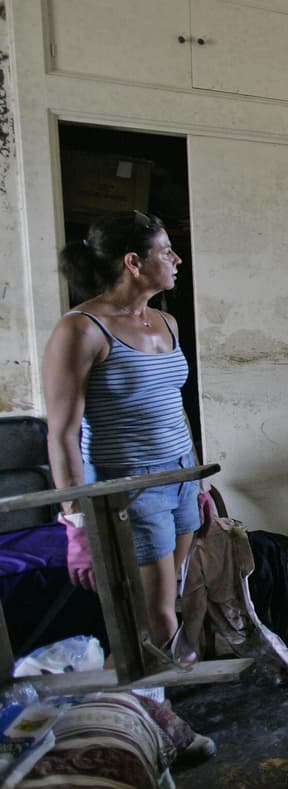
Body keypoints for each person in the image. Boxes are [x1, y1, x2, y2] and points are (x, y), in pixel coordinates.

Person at [42, 209, 202, 653]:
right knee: (155, 611)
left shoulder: (166, 323)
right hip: (129, 484)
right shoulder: (80, 330)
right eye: (166, 251)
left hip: (181, 474)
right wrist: (75, 523)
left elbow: (175, 406)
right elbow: (62, 435)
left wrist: (197, 477)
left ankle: (168, 688)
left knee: (179, 594)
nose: (176, 260)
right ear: (133, 262)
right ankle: (154, 710)